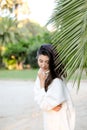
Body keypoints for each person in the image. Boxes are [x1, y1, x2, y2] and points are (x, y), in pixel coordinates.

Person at [34, 44, 75, 130]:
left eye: (47, 62)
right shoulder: (41, 73)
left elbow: (44, 104)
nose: (43, 65)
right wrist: (48, 105)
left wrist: (42, 83)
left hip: (59, 122)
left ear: (52, 62)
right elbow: (38, 98)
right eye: (40, 61)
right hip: (50, 119)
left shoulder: (56, 80)